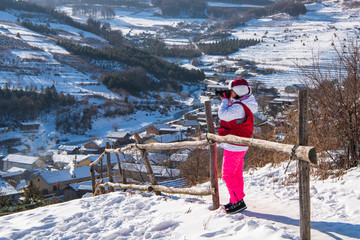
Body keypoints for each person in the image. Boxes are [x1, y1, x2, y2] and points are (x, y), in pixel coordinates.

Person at [217, 78, 258, 214]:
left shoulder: (239, 107)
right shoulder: (247, 103)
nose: (230, 93)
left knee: (228, 175)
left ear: (238, 92)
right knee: (236, 174)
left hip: (233, 145)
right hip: (241, 144)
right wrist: (230, 98)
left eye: (232, 91)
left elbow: (223, 114)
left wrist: (224, 100)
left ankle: (238, 202)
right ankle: (236, 200)